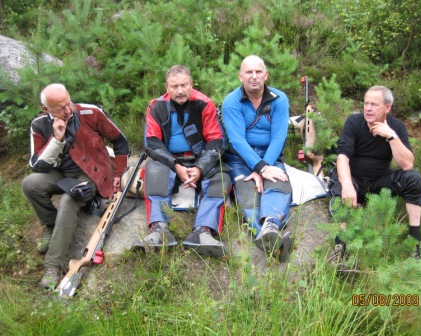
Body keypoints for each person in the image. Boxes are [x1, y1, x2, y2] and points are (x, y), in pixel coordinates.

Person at [22, 83, 129, 289]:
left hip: (92, 173)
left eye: (68, 103)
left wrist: (119, 173)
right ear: (46, 110)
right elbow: (37, 166)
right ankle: (52, 224)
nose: (68, 110)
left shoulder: (91, 112)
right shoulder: (39, 125)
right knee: (30, 184)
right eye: (60, 108)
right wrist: (56, 139)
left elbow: (120, 140)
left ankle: (53, 265)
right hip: (61, 173)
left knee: (69, 201)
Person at [132, 65, 231, 258]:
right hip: (170, 159)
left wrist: (201, 168)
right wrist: (176, 166)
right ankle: (159, 229)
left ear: (191, 84)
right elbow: (152, 144)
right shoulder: (156, 106)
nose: (180, 90)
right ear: (166, 87)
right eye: (174, 86)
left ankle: (203, 231)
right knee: (152, 169)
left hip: (200, 157)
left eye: (184, 85)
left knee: (222, 175)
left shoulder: (205, 104)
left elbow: (217, 141)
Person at [329, 85, 421, 259]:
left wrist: (391, 136)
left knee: (414, 179)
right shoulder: (354, 122)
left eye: (374, 104)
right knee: (340, 188)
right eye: (366, 103)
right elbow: (342, 156)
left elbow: (407, 164)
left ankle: (415, 241)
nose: (368, 108)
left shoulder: (397, 127)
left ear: (387, 107)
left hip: (380, 181)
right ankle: (340, 248)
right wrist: (346, 184)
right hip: (355, 179)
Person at [222, 55, 292, 256]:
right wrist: (259, 168)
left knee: (278, 182)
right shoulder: (231, 101)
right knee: (248, 193)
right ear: (240, 76)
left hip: (271, 155)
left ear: (266, 75)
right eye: (249, 72)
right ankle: (272, 241)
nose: (254, 76)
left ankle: (271, 226)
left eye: (258, 72)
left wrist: (265, 167)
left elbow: (279, 137)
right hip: (240, 158)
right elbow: (237, 140)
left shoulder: (279, 100)